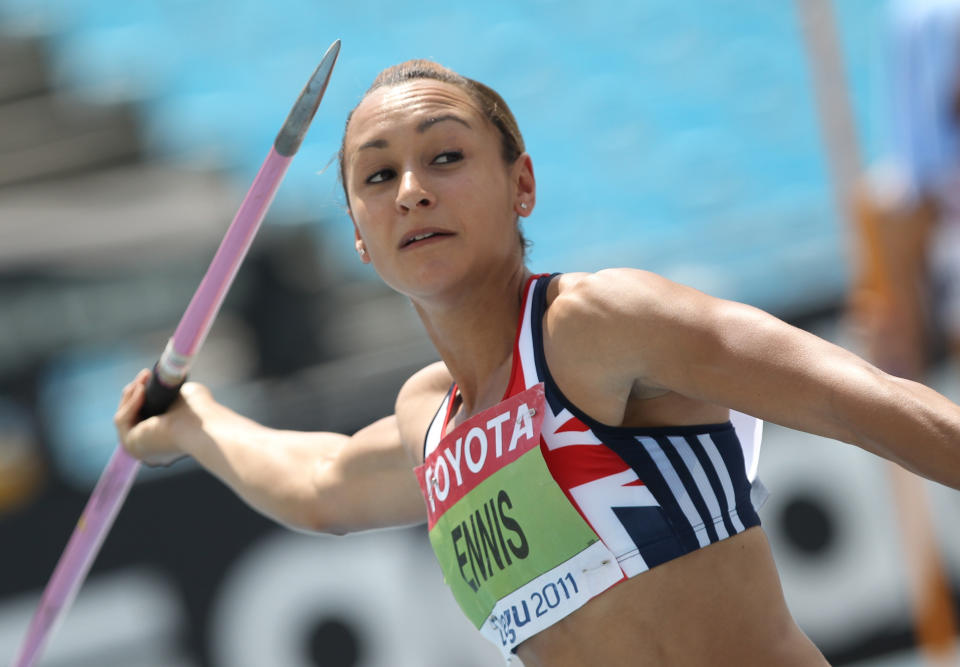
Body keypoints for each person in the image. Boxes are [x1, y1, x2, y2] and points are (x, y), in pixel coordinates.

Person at [115, 60, 960, 666]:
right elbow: (325, 482)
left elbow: (875, 405)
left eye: (445, 155)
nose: (410, 189)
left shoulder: (596, 324)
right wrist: (196, 423)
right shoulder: (431, 418)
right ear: (361, 240)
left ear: (522, 185)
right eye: (377, 176)